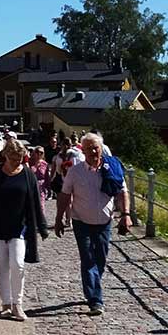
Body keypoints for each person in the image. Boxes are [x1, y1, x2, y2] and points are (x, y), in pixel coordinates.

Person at [55, 131, 131, 316]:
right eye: (88, 149)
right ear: (83, 151)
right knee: (88, 258)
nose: (93, 152)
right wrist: (59, 218)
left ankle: (92, 285)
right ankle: (95, 300)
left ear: (101, 149)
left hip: (104, 222)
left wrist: (126, 215)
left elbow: (122, 192)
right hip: (81, 221)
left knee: (101, 259)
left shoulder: (111, 168)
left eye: (95, 148)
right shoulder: (75, 172)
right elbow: (65, 195)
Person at [0, 139, 48, 320]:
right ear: (6, 156)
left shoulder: (27, 175)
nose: (16, 162)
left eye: (19, 158)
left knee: (18, 263)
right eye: (13, 158)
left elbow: (35, 201)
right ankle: (6, 304)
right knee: (3, 266)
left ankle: (18, 304)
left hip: (19, 227)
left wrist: (42, 226)